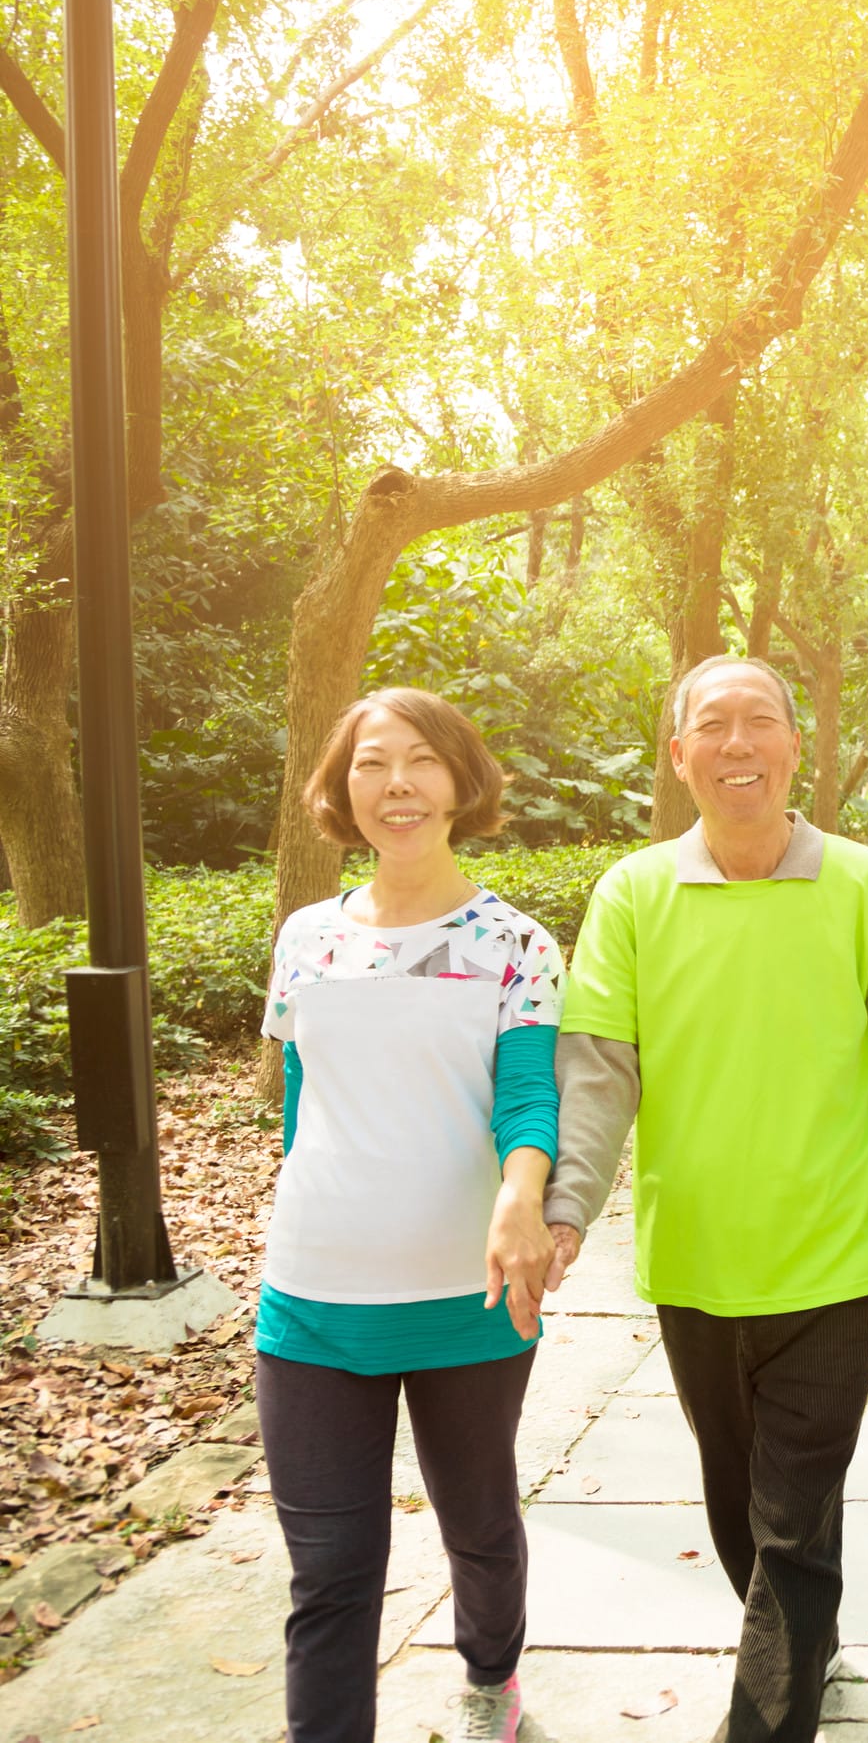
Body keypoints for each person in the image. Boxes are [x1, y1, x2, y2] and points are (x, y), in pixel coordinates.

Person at [543, 655, 868, 1743]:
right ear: (679, 755)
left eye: (761, 722)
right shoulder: (633, 895)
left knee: (791, 1531)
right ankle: (801, 1654)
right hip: (692, 1268)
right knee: (741, 1516)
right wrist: (565, 1212)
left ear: (794, 747)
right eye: (713, 726)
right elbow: (598, 1073)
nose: (739, 743)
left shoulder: (865, 886)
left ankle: (769, 1717)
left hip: (832, 1268)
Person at [257, 688, 565, 1743]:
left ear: (459, 782)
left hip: (468, 1293)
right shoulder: (306, 938)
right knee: (331, 1574)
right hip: (313, 1295)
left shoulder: (514, 942)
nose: (398, 784)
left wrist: (521, 1201)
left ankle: (491, 1680)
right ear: (343, 792)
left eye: (423, 760)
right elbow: (306, 1102)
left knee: (477, 1526)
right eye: (372, 764)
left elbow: (529, 1096)